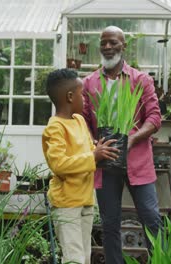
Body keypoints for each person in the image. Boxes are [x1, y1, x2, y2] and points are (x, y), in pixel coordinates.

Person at [82, 26, 163, 264]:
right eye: (104, 43)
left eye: (113, 43)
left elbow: (155, 118)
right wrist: (94, 142)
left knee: (151, 218)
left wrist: (132, 139)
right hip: (106, 161)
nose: (107, 47)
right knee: (109, 223)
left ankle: (160, 260)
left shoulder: (141, 79)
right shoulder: (89, 83)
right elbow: (84, 119)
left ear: (123, 46)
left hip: (137, 160)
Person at [42, 68, 119, 264]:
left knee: (84, 256)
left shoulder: (79, 120)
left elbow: (86, 150)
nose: (85, 98)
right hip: (67, 203)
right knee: (74, 258)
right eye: (82, 94)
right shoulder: (55, 127)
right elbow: (59, 164)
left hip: (85, 199)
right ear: (69, 97)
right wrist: (94, 156)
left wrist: (101, 152)